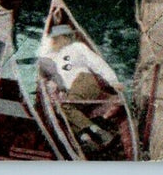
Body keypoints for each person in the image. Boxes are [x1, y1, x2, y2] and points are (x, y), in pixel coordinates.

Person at [37, 23, 122, 152]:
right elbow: (43, 55)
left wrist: (113, 81)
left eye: (56, 39)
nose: (54, 41)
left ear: (65, 38)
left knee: (65, 107)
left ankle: (99, 132)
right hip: (75, 90)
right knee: (64, 112)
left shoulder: (77, 47)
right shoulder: (55, 57)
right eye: (53, 39)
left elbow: (97, 63)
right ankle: (87, 139)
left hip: (85, 82)